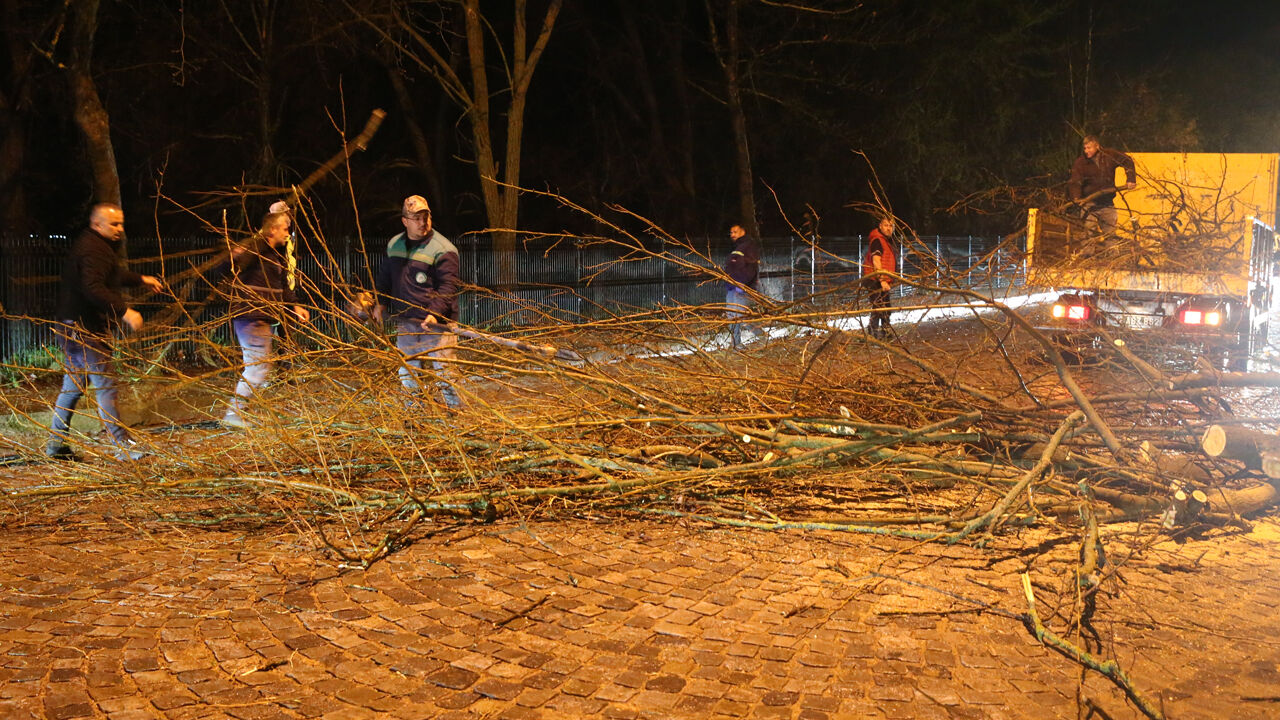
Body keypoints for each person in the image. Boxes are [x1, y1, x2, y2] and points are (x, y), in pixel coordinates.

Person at [45, 203, 164, 461]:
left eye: (121, 223)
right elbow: (93, 287)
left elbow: (111, 275)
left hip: (72, 327)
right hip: (84, 330)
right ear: (97, 224)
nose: (120, 229)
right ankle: (123, 446)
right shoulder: (93, 249)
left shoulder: (95, 246)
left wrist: (141, 279)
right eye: (114, 224)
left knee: (73, 388)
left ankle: (55, 446)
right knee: (106, 386)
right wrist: (125, 311)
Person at [217, 210, 310, 428]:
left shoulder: (274, 255)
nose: (289, 233)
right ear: (273, 229)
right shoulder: (256, 249)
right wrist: (233, 256)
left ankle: (238, 412)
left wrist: (295, 305)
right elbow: (224, 268)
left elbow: (282, 286)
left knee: (259, 367)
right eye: (285, 229)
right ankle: (234, 414)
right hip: (251, 315)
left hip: (262, 316)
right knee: (257, 368)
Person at [371, 195, 464, 409]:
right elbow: (385, 277)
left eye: (426, 217)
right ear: (405, 221)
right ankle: (415, 416)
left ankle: (457, 416)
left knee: (445, 373)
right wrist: (380, 302)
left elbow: (448, 288)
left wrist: (434, 313)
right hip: (407, 321)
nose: (423, 223)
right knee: (408, 371)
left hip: (438, 324)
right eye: (417, 218)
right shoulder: (395, 245)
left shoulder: (443, 249)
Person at [1068, 135, 1137, 237]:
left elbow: (1127, 160)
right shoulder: (1081, 162)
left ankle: (1111, 253)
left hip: (1107, 204)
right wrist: (1076, 199)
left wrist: (1131, 179)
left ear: (1097, 146)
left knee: (1110, 235)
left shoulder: (1109, 155)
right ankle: (1088, 253)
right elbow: (1075, 182)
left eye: (1089, 148)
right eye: (1085, 148)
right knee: (1088, 236)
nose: (1086, 151)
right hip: (1088, 205)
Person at [724, 223, 761, 349]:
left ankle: (764, 338)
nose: (732, 234)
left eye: (735, 231)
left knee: (743, 317)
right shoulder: (737, 247)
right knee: (732, 318)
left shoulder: (748, 246)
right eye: (731, 232)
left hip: (742, 289)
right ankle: (736, 344)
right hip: (731, 288)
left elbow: (751, 267)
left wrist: (742, 284)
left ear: (743, 231)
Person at [861, 216, 897, 339]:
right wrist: (882, 280)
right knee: (879, 306)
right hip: (874, 279)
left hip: (881, 280)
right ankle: (873, 333)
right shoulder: (877, 240)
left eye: (891, 226)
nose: (888, 228)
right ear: (880, 226)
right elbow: (876, 261)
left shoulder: (886, 241)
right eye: (886, 225)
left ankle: (884, 332)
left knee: (884, 306)